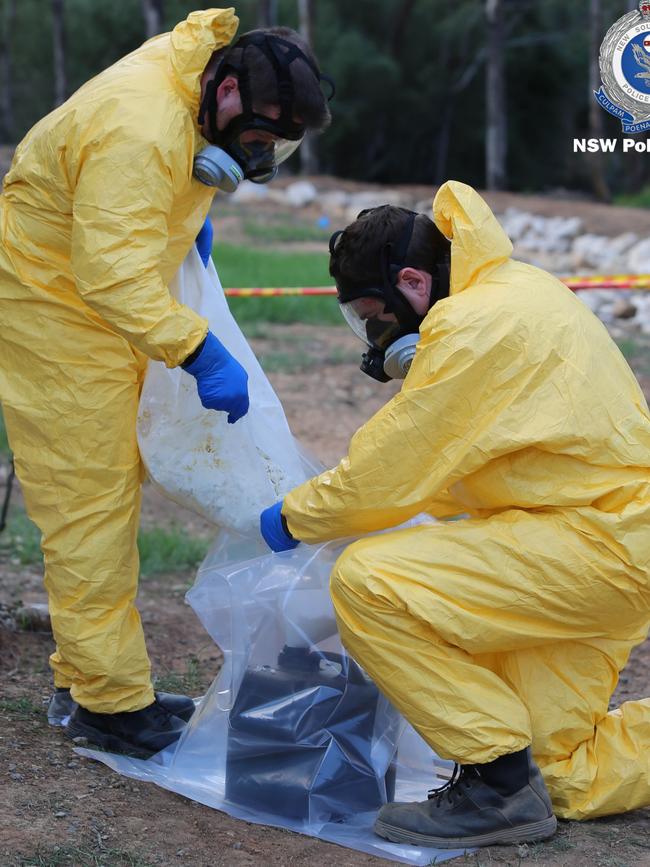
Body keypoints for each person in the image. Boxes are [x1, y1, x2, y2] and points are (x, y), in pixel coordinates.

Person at [260, 181, 650, 849]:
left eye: (373, 315)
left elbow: (386, 476)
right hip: (596, 542)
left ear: (414, 281)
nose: (375, 337)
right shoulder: (512, 289)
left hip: (597, 547)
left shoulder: (468, 327)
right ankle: (516, 783)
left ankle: (494, 784)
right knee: (557, 775)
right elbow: (457, 469)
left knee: (368, 582)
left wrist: (293, 516)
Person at [0, 8, 331, 759]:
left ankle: (82, 676)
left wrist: (184, 219)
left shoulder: (195, 71)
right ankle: (110, 707)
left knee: (109, 490)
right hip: (54, 303)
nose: (258, 154)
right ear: (222, 97)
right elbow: (111, 272)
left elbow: (129, 228)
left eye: (275, 143)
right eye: (255, 139)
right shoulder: (142, 131)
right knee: (90, 502)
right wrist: (197, 348)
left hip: (88, 289)